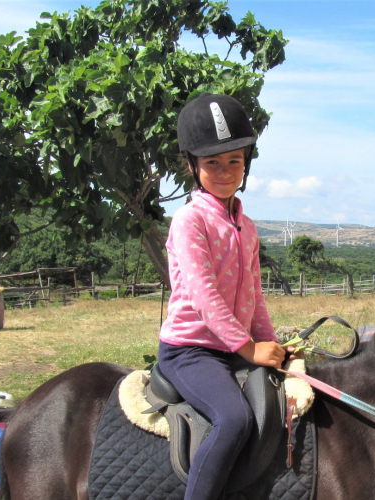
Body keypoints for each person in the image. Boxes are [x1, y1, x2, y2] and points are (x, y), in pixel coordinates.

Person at [156, 93, 289, 500]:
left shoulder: (246, 226)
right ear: (193, 167)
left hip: (231, 347)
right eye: (212, 163)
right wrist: (248, 349)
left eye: (234, 161)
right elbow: (203, 295)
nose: (225, 171)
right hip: (190, 350)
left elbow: (254, 297)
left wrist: (269, 342)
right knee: (233, 419)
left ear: (246, 164)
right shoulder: (189, 221)